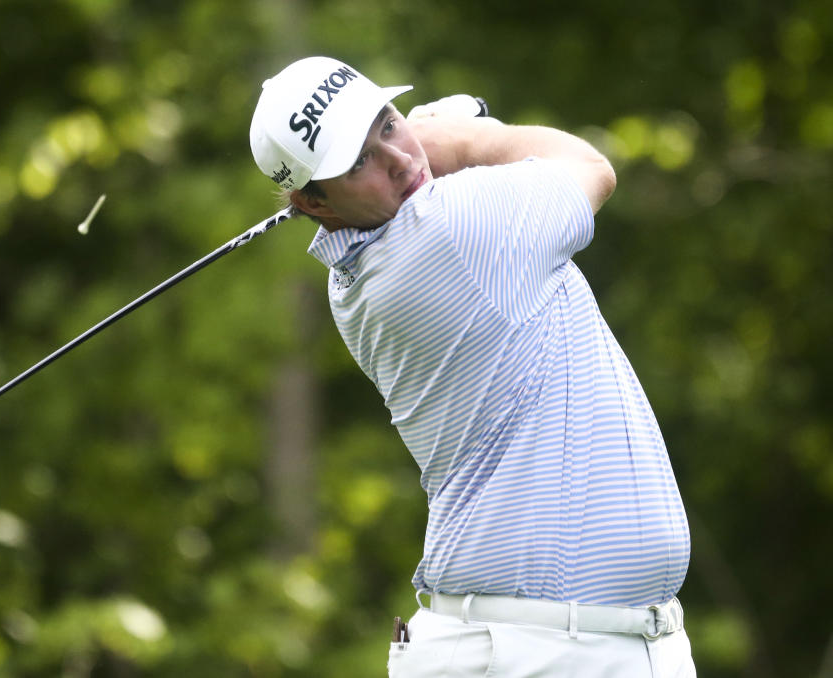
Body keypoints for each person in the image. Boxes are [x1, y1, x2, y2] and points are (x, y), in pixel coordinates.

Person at [249, 56, 696, 678]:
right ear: (314, 203)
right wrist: (467, 136)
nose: (400, 159)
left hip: (569, 641)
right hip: (539, 648)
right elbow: (592, 167)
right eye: (358, 162)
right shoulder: (453, 230)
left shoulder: (355, 277)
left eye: (387, 125)